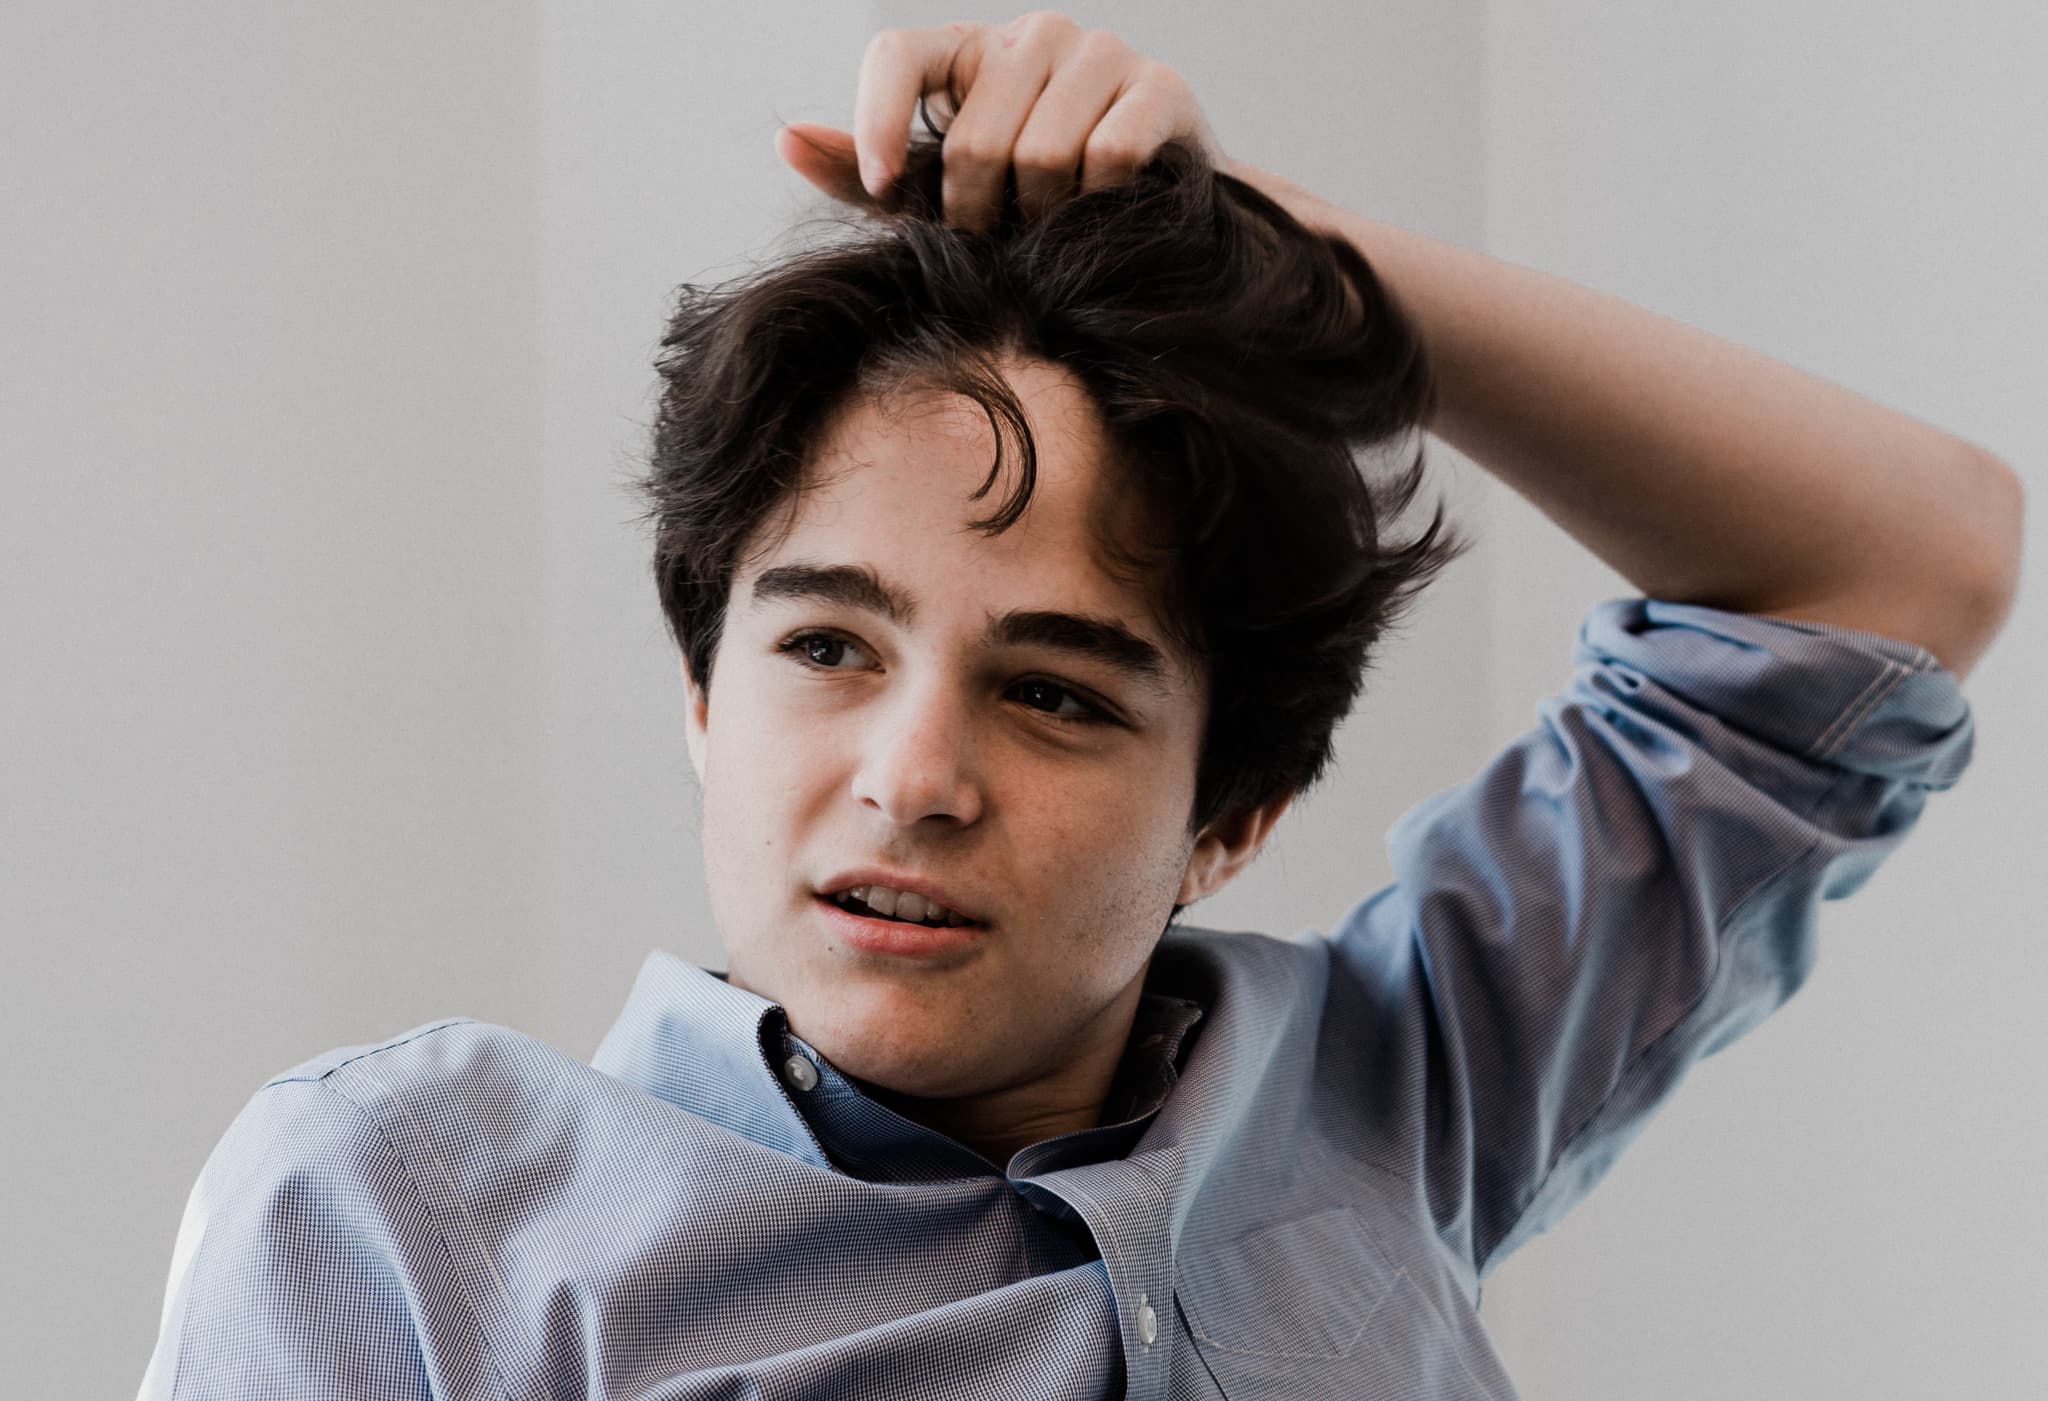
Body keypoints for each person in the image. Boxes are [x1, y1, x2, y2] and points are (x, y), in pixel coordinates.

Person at [137, 14, 2020, 1400]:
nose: (916, 778)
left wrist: (1283, 258)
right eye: (825, 649)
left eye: (1054, 694)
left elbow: (1897, 568)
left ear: (1235, 811)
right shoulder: (413, 1208)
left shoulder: (1400, 1083)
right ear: (702, 696)